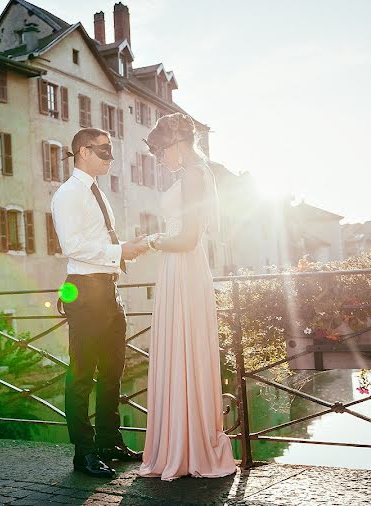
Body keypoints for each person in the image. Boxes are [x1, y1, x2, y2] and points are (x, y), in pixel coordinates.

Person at [137, 113, 237, 481]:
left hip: (182, 265)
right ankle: (180, 442)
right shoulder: (192, 174)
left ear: (177, 145)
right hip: (177, 269)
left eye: (161, 152)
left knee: (184, 349)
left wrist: (150, 241)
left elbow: (188, 239)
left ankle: (189, 447)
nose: (160, 160)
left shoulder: (194, 175)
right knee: (180, 349)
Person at [51, 128, 150, 478]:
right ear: (82, 152)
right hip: (83, 291)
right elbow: (72, 246)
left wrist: (127, 248)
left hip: (108, 290)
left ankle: (110, 442)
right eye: (104, 151)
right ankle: (84, 453)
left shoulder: (97, 194)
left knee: (112, 371)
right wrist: (119, 250)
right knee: (81, 374)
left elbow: (100, 244)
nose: (110, 157)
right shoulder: (68, 194)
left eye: (110, 151)